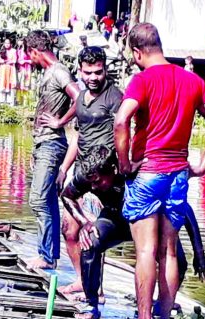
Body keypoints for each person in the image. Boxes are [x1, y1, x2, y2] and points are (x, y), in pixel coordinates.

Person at [114, 22, 205, 319]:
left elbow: (121, 120)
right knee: (170, 252)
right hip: (178, 176)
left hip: (148, 172)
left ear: (137, 52)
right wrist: (203, 166)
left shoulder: (142, 80)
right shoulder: (192, 80)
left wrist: (124, 164)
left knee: (146, 251)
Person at [63, 147, 205, 319]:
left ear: (113, 169)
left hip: (147, 221)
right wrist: (84, 222)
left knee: (178, 261)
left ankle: (161, 306)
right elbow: (67, 196)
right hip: (116, 219)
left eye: (98, 182)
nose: (94, 187)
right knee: (91, 242)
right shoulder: (88, 176)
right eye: (91, 184)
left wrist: (199, 253)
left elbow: (184, 209)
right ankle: (91, 304)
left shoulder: (135, 173)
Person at [56, 46, 123, 293]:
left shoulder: (114, 97)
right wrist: (64, 167)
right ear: (80, 71)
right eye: (88, 72)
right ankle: (83, 281)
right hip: (81, 173)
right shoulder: (82, 96)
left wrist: (121, 164)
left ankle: (96, 291)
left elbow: (124, 131)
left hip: (102, 174)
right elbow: (78, 136)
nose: (93, 77)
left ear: (105, 69)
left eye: (98, 72)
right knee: (69, 229)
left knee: (93, 232)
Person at [26, 29, 80, 270]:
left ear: (35, 51)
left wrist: (61, 121)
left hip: (52, 143)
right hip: (43, 144)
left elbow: (80, 98)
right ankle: (49, 254)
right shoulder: (50, 72)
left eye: (30, 56)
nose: (30, 61)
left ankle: (47, 255)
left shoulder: (58, 72)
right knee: (46, 200)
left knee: (39, 200)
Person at [0, 38, 18, 105]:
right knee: (2, 83)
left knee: (10, 84)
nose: (7, 44)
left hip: (10, 69)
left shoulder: (14, 51)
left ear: (10, 44)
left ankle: (10, 101)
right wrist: (4, 61)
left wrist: (8, 62)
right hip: (3, 69)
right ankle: (1, 101)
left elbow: (14, 60)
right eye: (6, 43)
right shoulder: (2, 50)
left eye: (8, 43)